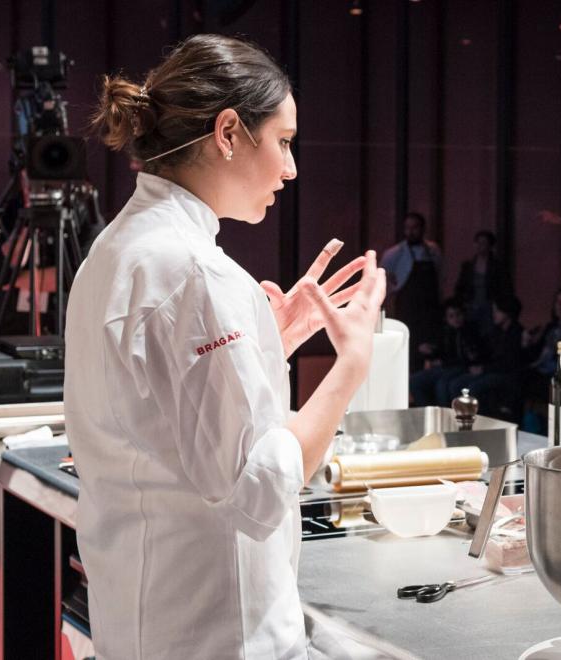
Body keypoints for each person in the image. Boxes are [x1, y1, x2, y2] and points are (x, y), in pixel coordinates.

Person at [66, 35, 386, 659]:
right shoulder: (198, 274)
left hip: (144, 624)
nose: (292, 169)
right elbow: (260, 490)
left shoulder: (114, 251)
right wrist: (351, 365)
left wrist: (271, 343)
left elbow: (163, 411)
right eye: (285, 141)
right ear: (230, 132)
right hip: (214, 635)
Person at [381, 212, 443, 368]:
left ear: (422, 228)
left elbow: (441, 276)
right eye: (407, 228)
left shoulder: (433, 251)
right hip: (407, 307)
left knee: (429, 347)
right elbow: (384, 280)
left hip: (429, 308)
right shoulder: (394, 253)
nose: (410, 231)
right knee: (408, 346)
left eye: (414, 227)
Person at [453, 229, 513, 334]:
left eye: (484, 243)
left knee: (488, 334)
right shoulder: (468, 266)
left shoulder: (497, 266)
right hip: (471, 306)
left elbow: (505, 287)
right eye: (478, 242)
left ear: (490, 246)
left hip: (490, 307)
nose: (480, 245)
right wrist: (461, 303)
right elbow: (460, 286)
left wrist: (502, 307)